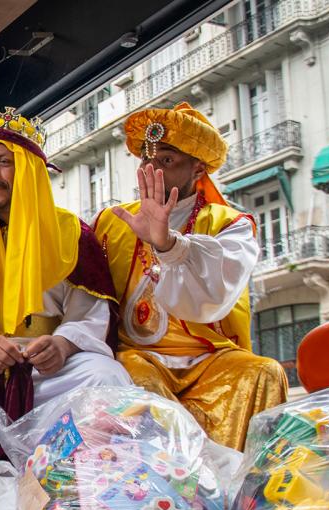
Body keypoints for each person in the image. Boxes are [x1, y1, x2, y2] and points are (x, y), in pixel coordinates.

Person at [0, 109, 131, 485]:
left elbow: (92, 314)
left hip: (47, 367)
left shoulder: (71, 233)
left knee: (107, 376)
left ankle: (100, 492)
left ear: (31, 172)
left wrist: (64, 345)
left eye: (4, 163)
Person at [95, 102, 288, 450]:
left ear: (198, 168)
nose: (152, 169)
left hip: (209, 358)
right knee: (126, 370)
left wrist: (168, 245)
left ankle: (241, 487)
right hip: (140, 354)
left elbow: (214, 295)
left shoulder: (228, 223)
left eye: (166, 161)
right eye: (145, 160)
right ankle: (172, 488)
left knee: (264, 372)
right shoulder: (112, 221)